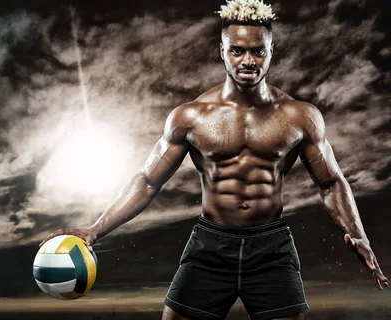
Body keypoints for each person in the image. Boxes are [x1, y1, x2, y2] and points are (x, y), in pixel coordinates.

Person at [39, 0, 388, 319]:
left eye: (257, 51)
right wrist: (95, 230)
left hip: (271, 248)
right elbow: (148, 181)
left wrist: (358, 234)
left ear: (271, 51)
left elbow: (330, 182)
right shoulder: (190, 117)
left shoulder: (300, 116)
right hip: (211, 245)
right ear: (222, 51)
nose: (248, 61)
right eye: (237, 50)